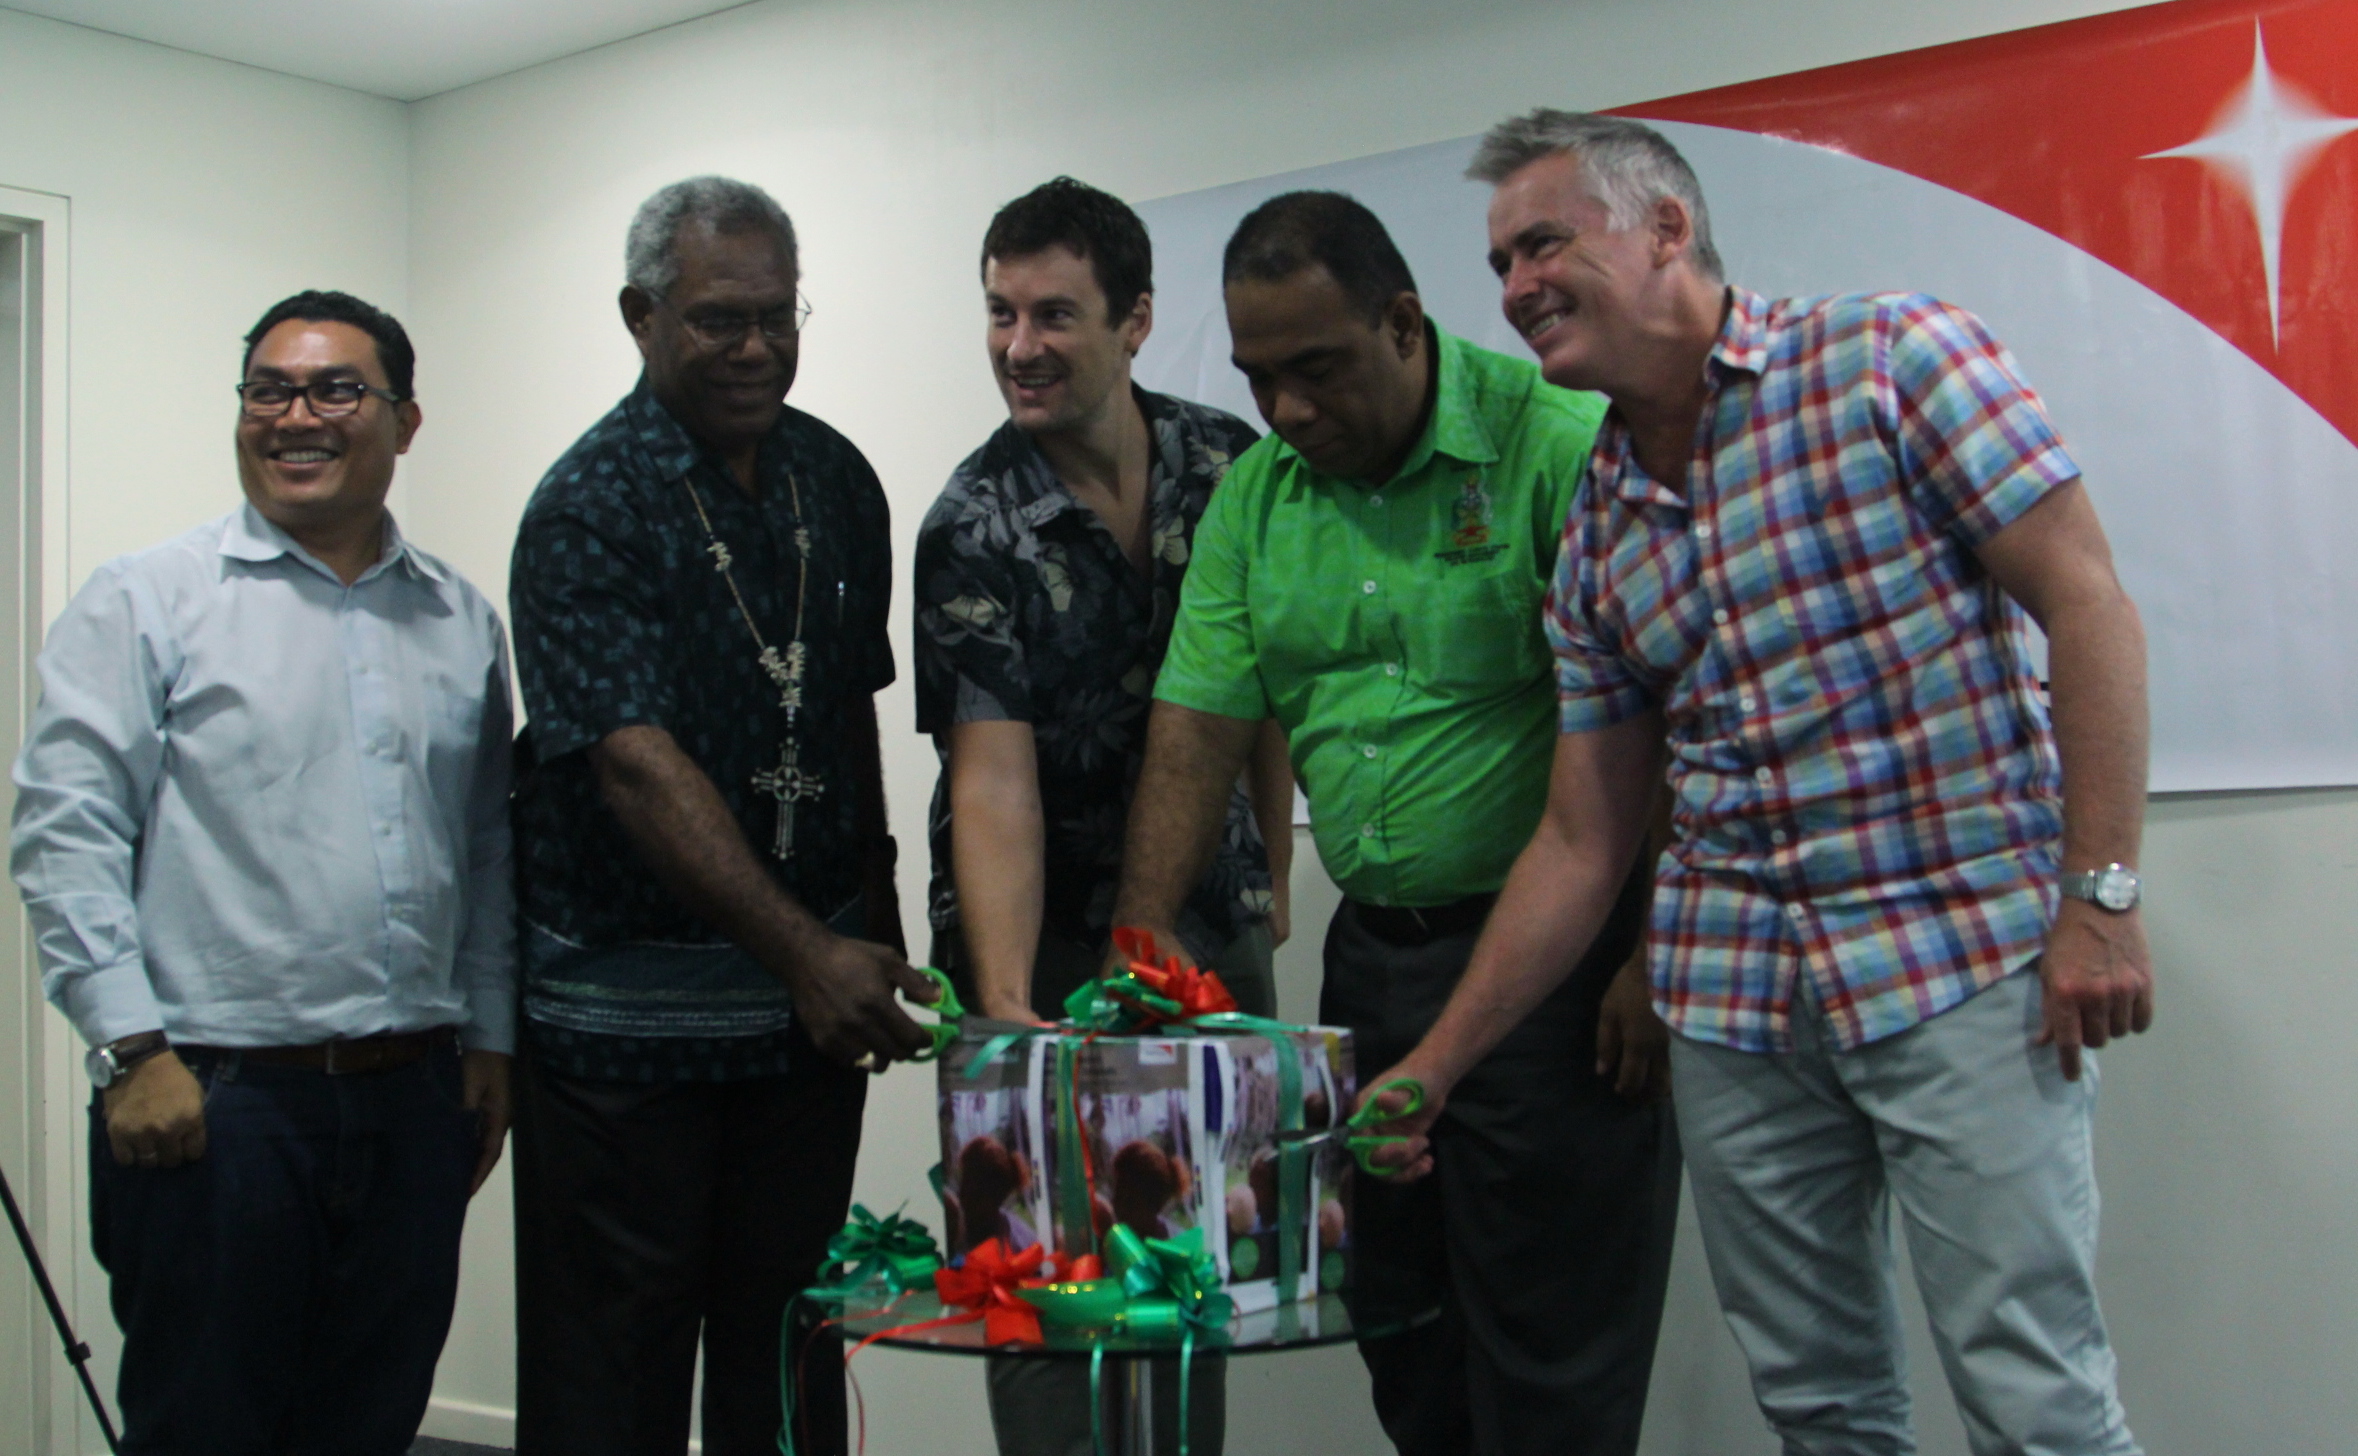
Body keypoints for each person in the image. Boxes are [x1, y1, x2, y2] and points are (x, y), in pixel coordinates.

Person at [1364, 110, 2154, 1456]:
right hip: (1733, 1011)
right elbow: (1580, 835)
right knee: (1817, 1408)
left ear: (1666, 228)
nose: (1510, 288)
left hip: (1957, 962)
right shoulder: (1598, 521)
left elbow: (2085, 604)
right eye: (1496, 262)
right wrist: (1435, 1065)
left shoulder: (1888, 360)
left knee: (2031, 1395)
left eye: (1543, 242)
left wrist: (2100, 897)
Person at [1111, 191, 1682, 1456]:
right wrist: (1139, 950)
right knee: (1403, 1341)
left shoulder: (1560, 445)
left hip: (1562, 975)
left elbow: (1671, 713)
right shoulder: (1256, 501)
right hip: (1373, 972)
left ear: (1405, 323)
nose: (1289, 412)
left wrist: (1653, 955)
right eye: (1261, 380)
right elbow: (1196, 733)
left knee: (1553, 1365)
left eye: (1318, 370)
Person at [9, 290, 515, 1455]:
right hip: (213, 1108)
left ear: (405, 418)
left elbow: (487, 843)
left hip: (411, 1104)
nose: (298, 416)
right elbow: (64, 830)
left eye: (337, 389)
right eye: (269, 390)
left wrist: (487, 1041)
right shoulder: (149, 599)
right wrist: (132, 1049)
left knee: (370, 1422)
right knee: (206, 1428)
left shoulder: (459, 619)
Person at [506, 176, 933, 1456]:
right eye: (717, 320)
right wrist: (810, 952)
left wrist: (875, 917)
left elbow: (852, 708)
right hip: (624, 1043)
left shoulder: (837, 478)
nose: (756, 348)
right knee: (612, 1375)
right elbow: (632, 764)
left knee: (793, 1351)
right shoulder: (591, 504)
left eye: (778, 315)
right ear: (642, 316)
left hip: (802, 1033)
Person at [913, 175, 1292, 1456]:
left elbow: (1263, 697)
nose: (1020, 347)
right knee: (1042, 1294)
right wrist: (1008, 1003)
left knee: (1200, 1279)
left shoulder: (1230, 462)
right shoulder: (972, 524)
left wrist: (1271, 881)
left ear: (1135, 320)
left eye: (1055, 314)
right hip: (1046, 948)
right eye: (1001, 313)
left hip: (1206, 943)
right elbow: (992, 774)